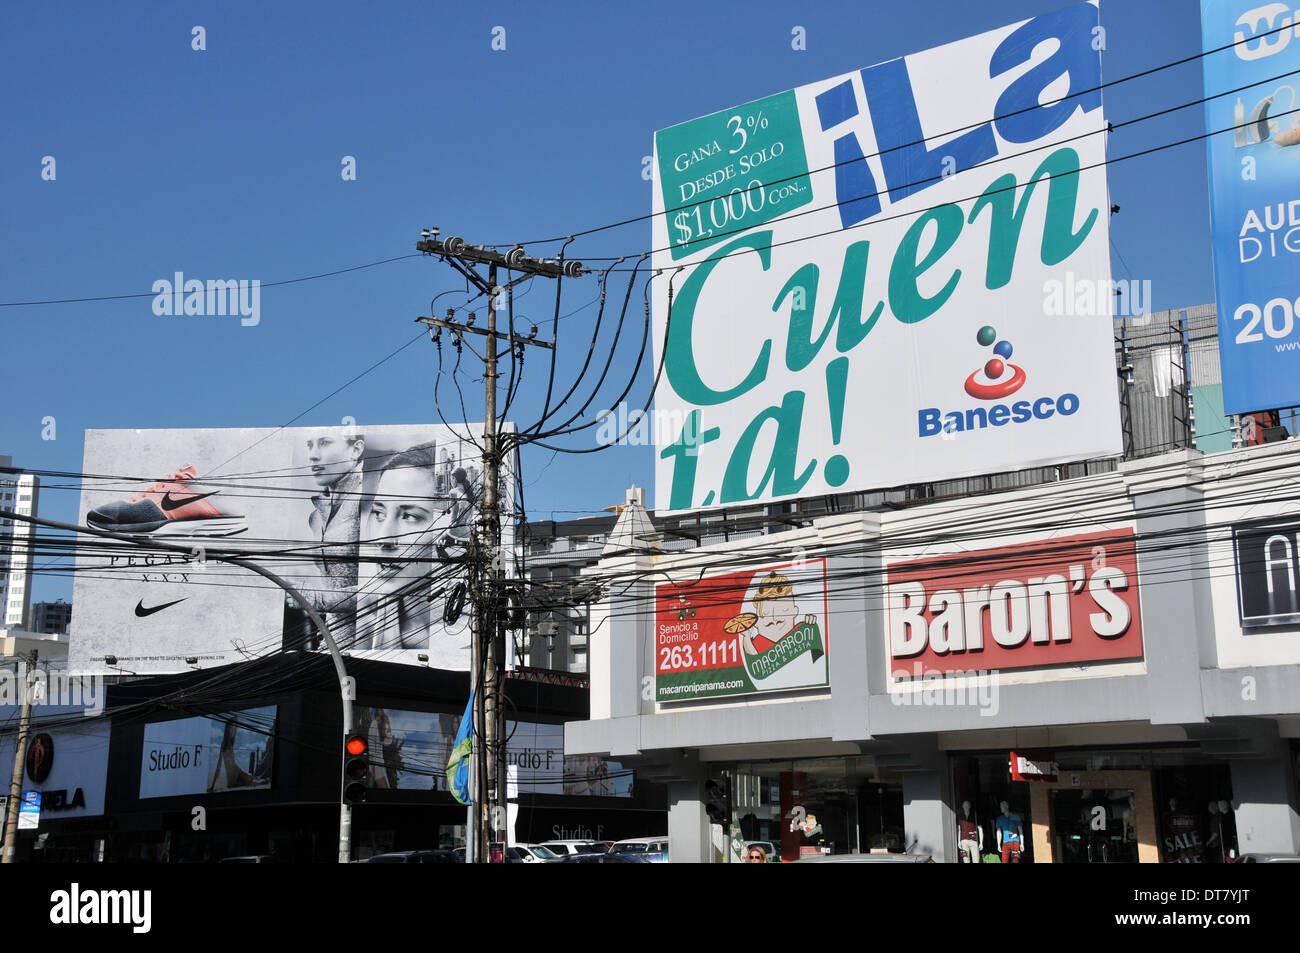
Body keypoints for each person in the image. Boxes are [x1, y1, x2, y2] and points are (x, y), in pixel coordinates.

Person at [360, 446, 450, 651]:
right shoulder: (358, 619)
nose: (384, 537)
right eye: (379, 513)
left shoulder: (456, 628)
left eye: (409, 516)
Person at [302, 429, 366, 646]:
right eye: (309, 445)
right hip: (331, 642)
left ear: (356, 449)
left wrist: (318, 599)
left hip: (369, 644)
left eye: (325, 443)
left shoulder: (371, 501)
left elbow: (388, 587)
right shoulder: (316, 515)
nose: (313, 455)